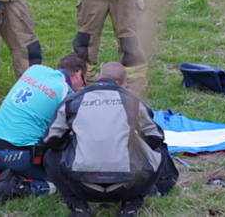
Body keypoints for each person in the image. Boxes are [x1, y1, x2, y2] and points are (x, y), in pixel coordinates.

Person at [42, 62, 165, 217]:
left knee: (49, 156)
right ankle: (131, 204)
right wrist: (134, 143)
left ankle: (77, 205)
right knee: (160, 152)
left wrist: (73, 142)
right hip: (127, 185)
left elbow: (50, 139)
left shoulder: (73, 100)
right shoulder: (132, 100)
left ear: (98, 77)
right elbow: (155, 137)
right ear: (125, 84)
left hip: (81, 184)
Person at [0, 54, 88, 204]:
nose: (82, 88)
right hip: (19, 156)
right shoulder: (66, 92)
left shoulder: (34, 70)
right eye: (84, 82)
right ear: (79, 74)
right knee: (63, 182)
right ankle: (20, 188)